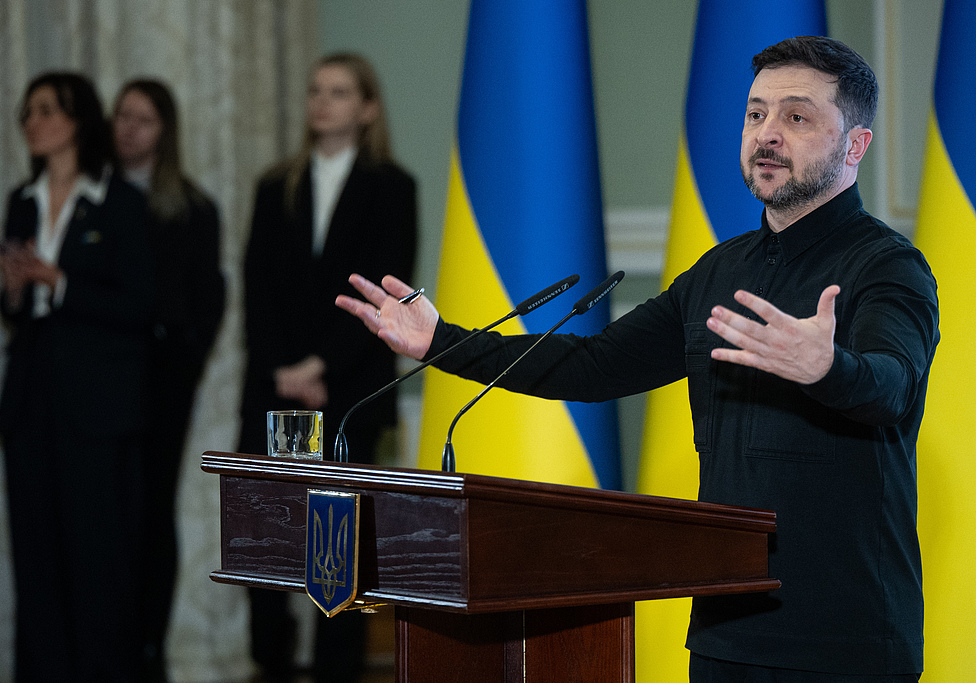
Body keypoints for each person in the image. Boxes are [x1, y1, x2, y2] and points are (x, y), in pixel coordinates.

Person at [336, 36, 937, 682]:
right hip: (728, 633)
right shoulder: (718, 271)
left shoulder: (888, 267)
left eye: (796, 117)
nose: (767, 133)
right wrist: (441, 342)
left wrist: (828, 367)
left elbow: (892, 386)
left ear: (855, 146)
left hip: (848, 641)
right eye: (756, 113)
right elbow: (594, 367)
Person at [238, 53, 417, 682]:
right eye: (315, 90)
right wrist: (283, 369)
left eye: (339, 92)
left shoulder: (393, 187)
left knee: (336, 546)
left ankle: (336, 671)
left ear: (366, 108)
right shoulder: (274, 185)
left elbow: (381, 292)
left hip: (349, 390)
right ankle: (271, 664)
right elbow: (256, 290)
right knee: (263, 539)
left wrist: (321, 365)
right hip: (273, 386)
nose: (322, 102)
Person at [0, 72, 155, 681]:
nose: (31, 121)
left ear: (77, 121)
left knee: (97, 557)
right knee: (34, 554)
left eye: (45, 110)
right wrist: (14, 292)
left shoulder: (120, 202)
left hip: (98, 405)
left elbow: (141, 306)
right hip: (31, 397)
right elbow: (12, 309)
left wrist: (58, 283)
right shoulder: (22, 199)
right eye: (27, 111)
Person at [112, 78, 226, 683]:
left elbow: (209, 297)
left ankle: (150, 648)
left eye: (143, 119)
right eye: (120, 116)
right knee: (105, 515)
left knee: (153, 513)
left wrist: (184, 359)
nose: (126, 128)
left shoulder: (192, 207)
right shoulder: (92, 196)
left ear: (165, 132)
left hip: (162, 384)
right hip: (99, 383)